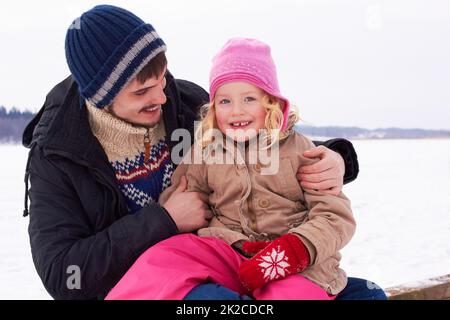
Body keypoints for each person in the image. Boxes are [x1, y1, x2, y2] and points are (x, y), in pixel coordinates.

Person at [21, 5, 385, 300]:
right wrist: (164, 220)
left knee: (366, 296)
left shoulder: (185, 102)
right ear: (101, 97)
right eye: (143, 91)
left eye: (162, 79)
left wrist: (338, 158)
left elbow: (262, 141)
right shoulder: (57, 154)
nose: (161, 97)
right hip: (159, 284)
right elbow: (64, 276)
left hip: (246, 265)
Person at [105, 38, 356, 300]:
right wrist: (176, 208)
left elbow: (335, 215)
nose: (236, 111)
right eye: (225, 101)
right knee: (164, 258)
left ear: (271, 102)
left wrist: (296, 249)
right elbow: (183, 192)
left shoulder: (301, 150)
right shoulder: (205, 149)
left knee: (292, 295)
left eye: (248, 99)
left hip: (295, 262)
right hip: (230, 251)